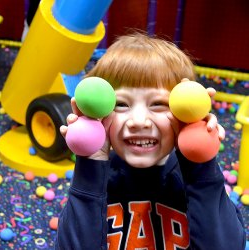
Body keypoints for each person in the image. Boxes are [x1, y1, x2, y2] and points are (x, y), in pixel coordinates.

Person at [55, 32, 246, 249]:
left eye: (157, 104)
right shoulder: (98, 179)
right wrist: (90, 166)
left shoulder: (194, 177)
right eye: (121, 105)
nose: (138, 121)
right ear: (99, 112)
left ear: (183, 112)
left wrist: (200, 165)